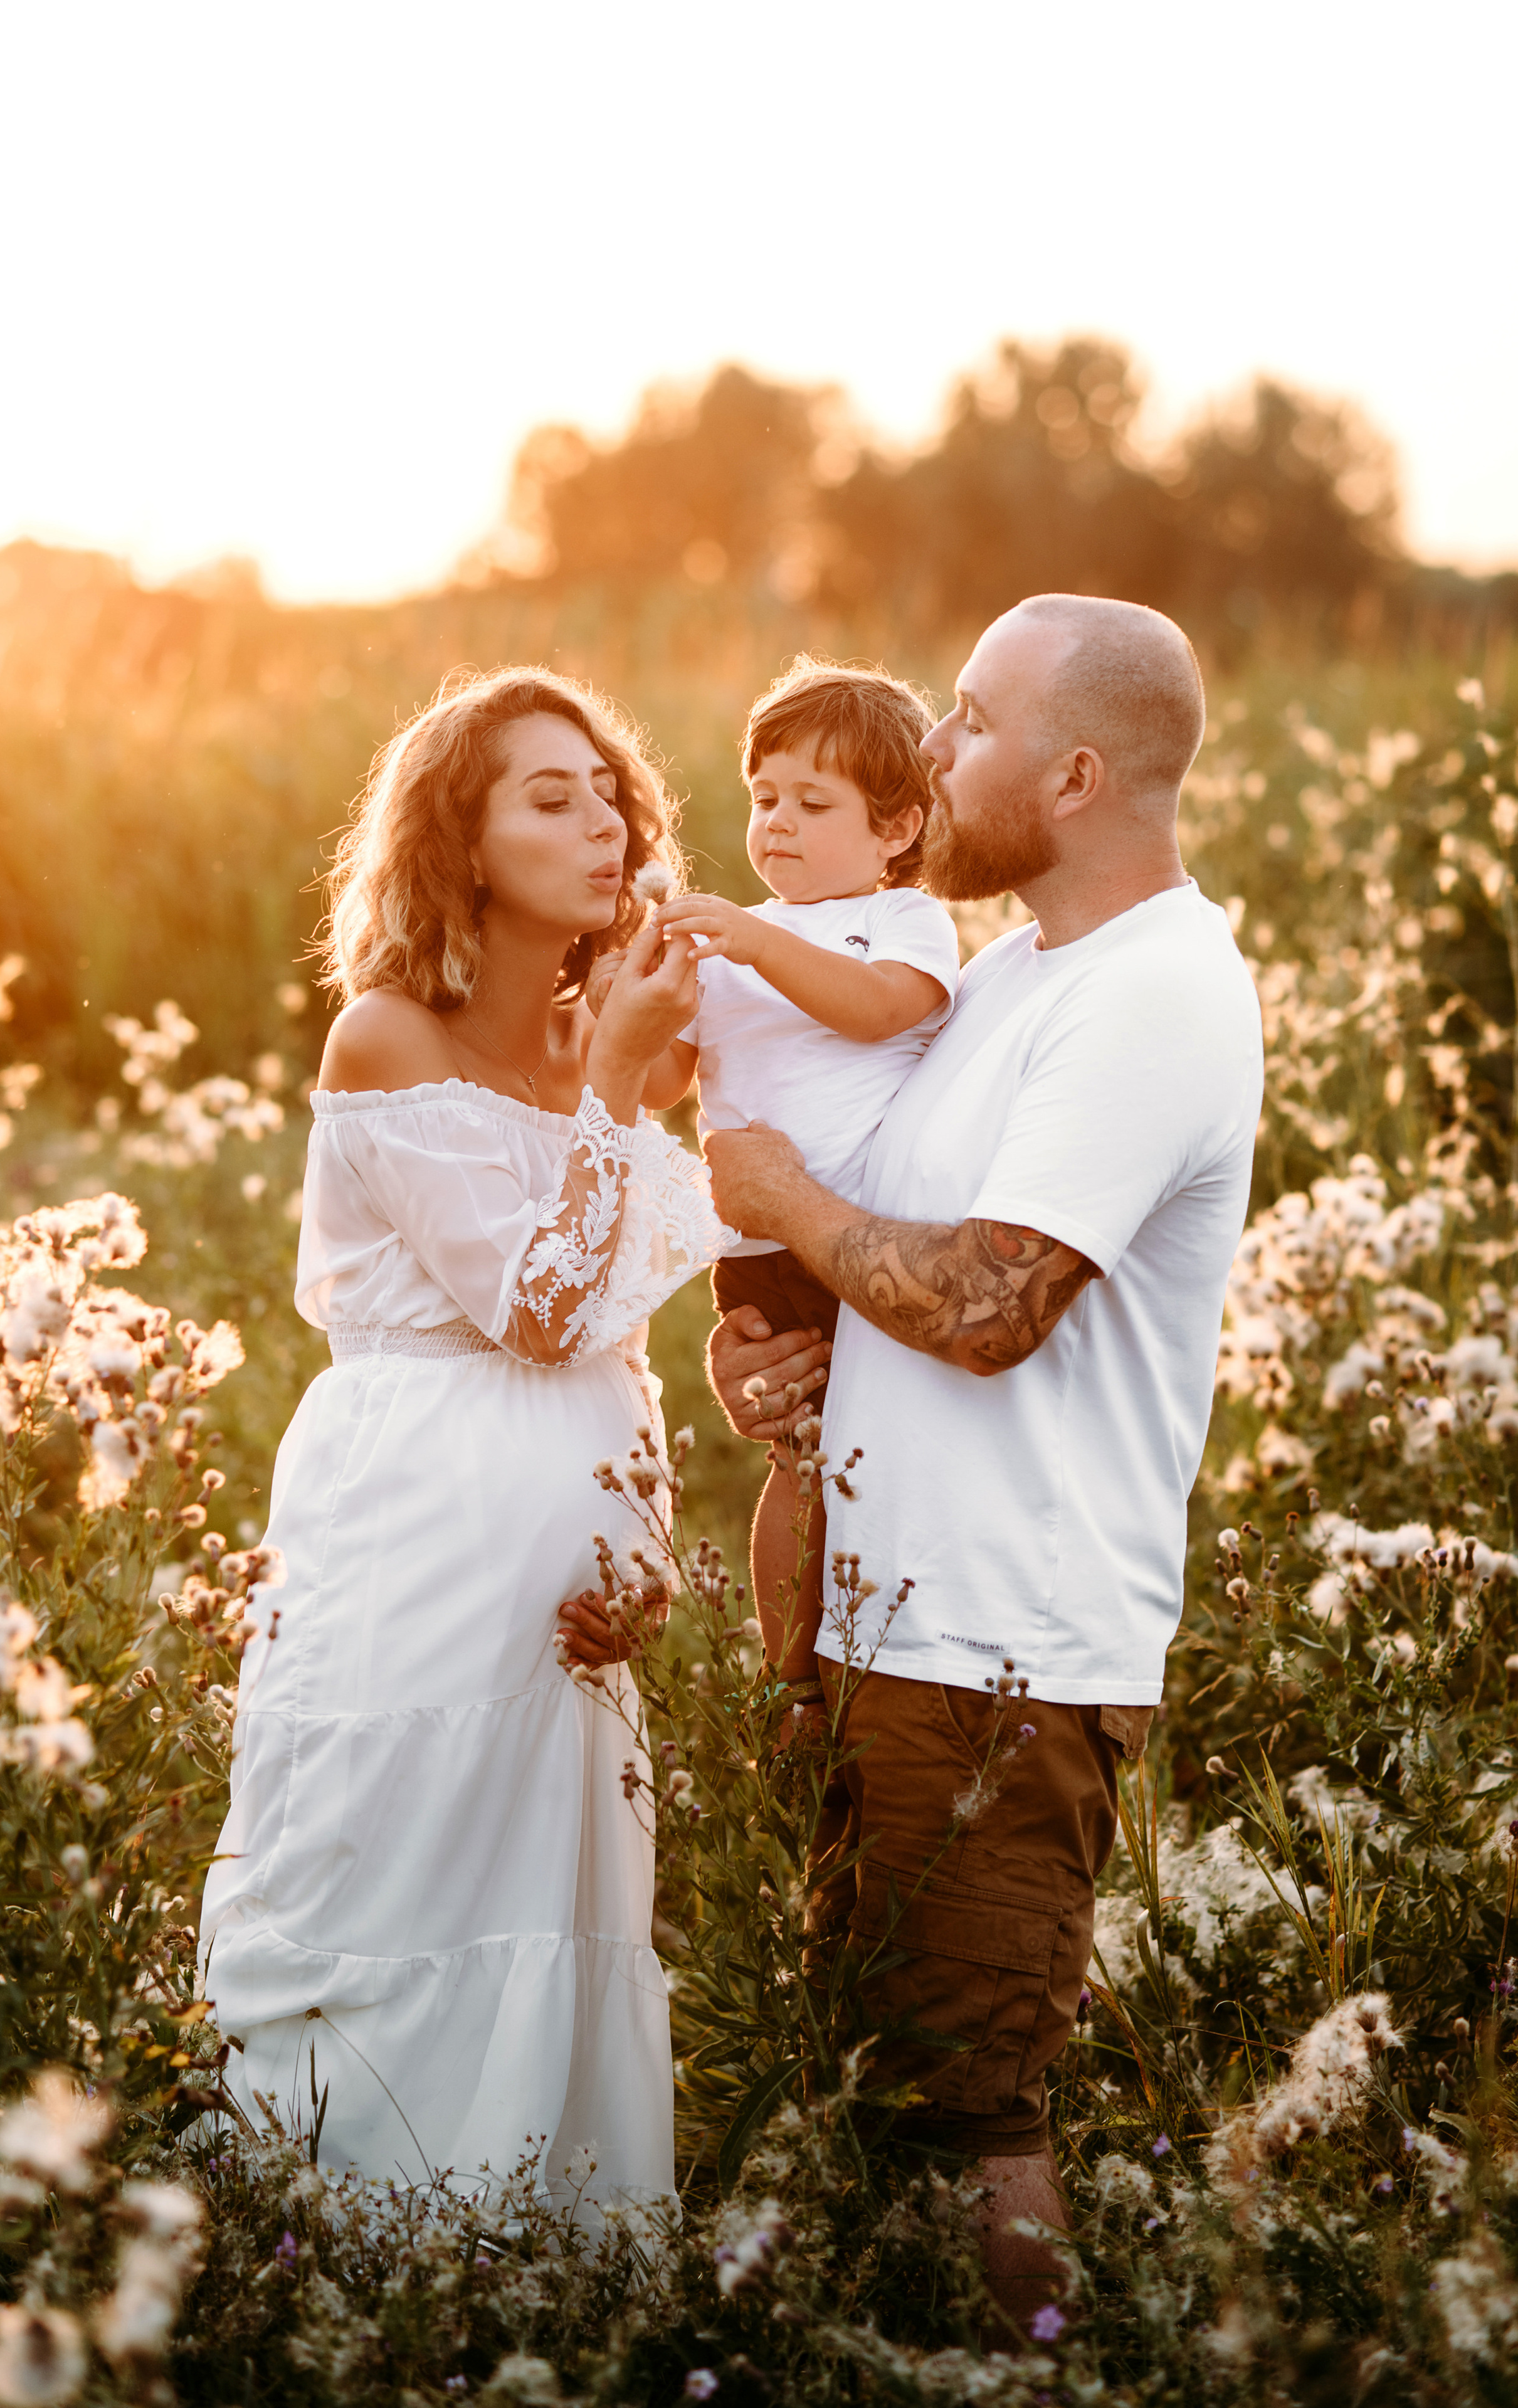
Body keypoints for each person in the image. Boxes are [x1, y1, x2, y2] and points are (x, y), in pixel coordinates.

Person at [699, 596, 1264, 2325]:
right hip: (891, 1630)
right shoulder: (1009, 970)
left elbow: (996, 1300)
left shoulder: (1156, 992)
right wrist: (773, 1350)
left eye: (967, 721)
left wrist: (788, 1200)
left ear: (1077, 772)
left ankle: (1028, 2374)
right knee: (878, 2086)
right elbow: (896, 1255)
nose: (932, 754)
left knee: (971, 2121)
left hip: (1003, 1650)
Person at [198, 667, 729, 2213]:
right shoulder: (389, 1038)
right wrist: (622, 1080)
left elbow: (617, 1349)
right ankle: (342, 2262)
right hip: (413, 1527)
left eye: (608, 790)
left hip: (562, 1572)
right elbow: (539, 1312)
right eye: (544, 796)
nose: (601, 820)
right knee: (396, 1875)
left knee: (545, 1895)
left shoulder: (608, 1042)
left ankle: (534, 2282)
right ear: (461, 840)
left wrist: (638, 1543)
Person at [619, 658, 959, 1687]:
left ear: (896, 830)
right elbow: (670, 1082)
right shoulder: (728, 947)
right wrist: (634, 1008)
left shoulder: (904, 924)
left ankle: (894, 1657)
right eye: (765, 798)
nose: (778, 824)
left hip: (869, 1236)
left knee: (891, 1458)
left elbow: (878, 1009)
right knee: (801, 1461)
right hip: (766, 1249)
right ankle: (791, 1675)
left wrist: (759, 942)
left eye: (815, 803)